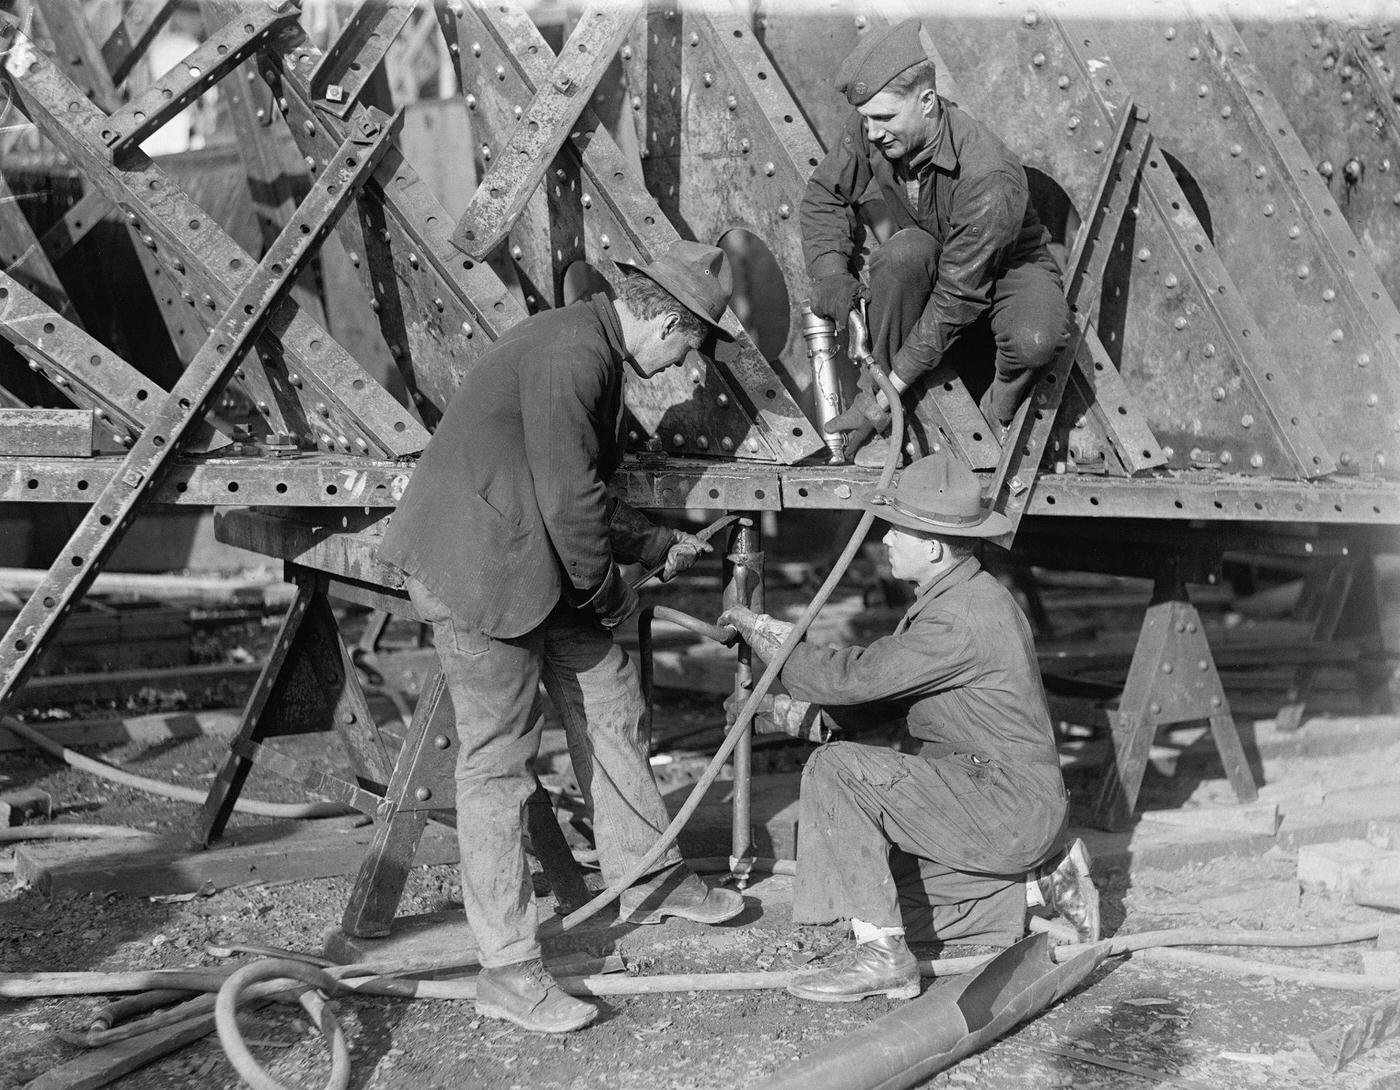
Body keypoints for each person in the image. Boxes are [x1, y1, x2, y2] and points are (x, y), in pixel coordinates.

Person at [377, 242, 745, 1033]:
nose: (686, 366)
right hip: (481, 572)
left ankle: (646, 877)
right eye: (689, 347)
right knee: (498, 768)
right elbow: (570, 501)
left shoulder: (586, 343)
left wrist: (651, 542)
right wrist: (611, 592)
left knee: (609, 691)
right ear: (663, 323)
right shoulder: (574, 354)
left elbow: (579, 488)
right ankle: (508, 970)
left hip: (525, 559)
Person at [720, 453, 1098, 1003]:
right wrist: (773, 711)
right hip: (993, 796)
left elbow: (853, 680)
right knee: (870, 888)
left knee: (836, 770)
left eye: (899, 530)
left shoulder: (960, 617)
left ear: (935, 548)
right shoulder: (959, 597)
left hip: (1004, 799)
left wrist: (768, 634)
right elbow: (882, 702)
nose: (887, 540)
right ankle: (1041, 886)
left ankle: (885, 959)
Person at [802, 20, 1070, 464]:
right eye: (866, 119)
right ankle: (895, 425)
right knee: (904, 253)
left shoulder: (988, 173)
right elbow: (825, 194)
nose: (872, 132)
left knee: (1035, 338)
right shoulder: (876, 124)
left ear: (927, 101)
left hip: (1006, 267)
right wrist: (830, 273)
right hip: (939, 259)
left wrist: (881, 397)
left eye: (883, 118)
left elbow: (956, 298)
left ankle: (995, 417)